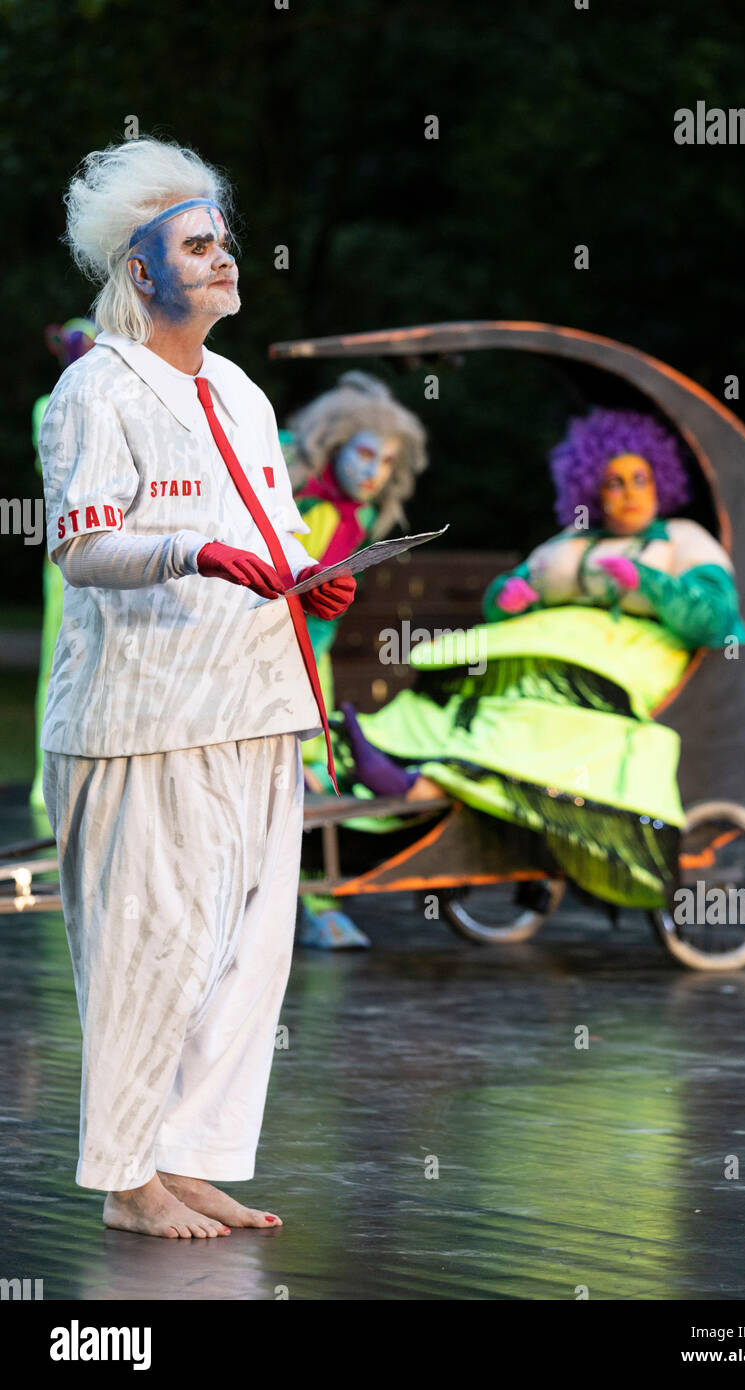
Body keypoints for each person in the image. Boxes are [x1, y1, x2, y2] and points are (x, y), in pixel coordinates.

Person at [38, 137, 354, 1238]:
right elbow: (82, 547)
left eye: (222, 238)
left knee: (245, 955)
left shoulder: (243, 391)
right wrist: (191, 553)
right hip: (144, 719)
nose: (226, 258)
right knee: (151, 946)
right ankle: (127, 1178)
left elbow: (275, 527)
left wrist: (309, 578)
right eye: (197, 244)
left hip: (257, 707)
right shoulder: (94, 388)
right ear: (139, 271)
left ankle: (188, 1155)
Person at [337, 408, 745, 910]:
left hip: (622, 663)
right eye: (614, 483)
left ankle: (416, 785)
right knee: (471, 688)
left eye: (639, 479)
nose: (628, 493)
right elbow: (514, 587)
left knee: (541, 703)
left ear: (660, 480)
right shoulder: (574, 542)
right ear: (593, 490)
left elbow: (713, 617)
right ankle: (392, 753)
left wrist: (649, 585)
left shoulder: (683, 540)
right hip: (547, 654)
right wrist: (508, 596)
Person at [288, 371, 427, 948]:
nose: (374, 472)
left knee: (313, 779)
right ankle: (314, 906)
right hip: (275, 660)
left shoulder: (358, 517)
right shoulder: (309, 504)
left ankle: (317, 903)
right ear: (334, 444)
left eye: (387, 461)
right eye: (365, 454)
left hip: (309, 662)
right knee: (299, 782)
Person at [30, 318, 98, 812]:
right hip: (66, 559)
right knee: (60, 665)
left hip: (105, 552)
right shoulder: (49, 405)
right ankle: (46, 781)